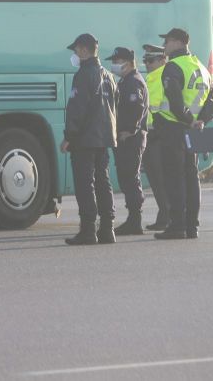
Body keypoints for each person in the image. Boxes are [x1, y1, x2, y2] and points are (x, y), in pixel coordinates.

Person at [153, 28, 213, 240]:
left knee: (174, 178)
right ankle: (192, 226)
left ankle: (177, 226)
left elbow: (175, 103)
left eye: (167, 42)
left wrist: (190, 120)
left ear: (178, 42)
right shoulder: (201, 68)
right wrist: (200, 121)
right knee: (192, 178)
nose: (164, 46)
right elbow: (212, 104)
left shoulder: (173, 67)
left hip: (174, 129)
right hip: (194, 130)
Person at [60, 33, 118, 246]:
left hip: (85, 139)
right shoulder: (108, 75)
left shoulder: (84, 74)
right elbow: (114, 106)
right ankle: (107, 229)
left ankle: (87, 230)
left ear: (84, 50)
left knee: (85, 184)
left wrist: (69, 137)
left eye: (76, 50)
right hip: (103, 138)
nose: (75, 55)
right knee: (103, 182)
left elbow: (77, 108)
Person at [107, 47, 149, 236]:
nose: (114, 65)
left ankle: (135, 221)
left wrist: (130, 130)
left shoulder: (133, 82)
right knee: (126, 178)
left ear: (129, 62)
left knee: (130, 178)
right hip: (125, 137)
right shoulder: (126, 81)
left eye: (117, 61)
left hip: (131, 138)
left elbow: (137, 108)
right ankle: (133, 219)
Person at [140, 44, 171, 231]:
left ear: (162, 60)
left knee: (161, 179)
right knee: (155, 179)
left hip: (161, 135)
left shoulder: (164, 77)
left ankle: (166, 216)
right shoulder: (151, 78)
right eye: (145, 60)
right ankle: (164, 214)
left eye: (151, 60)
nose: (147, 64)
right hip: (151, 135)